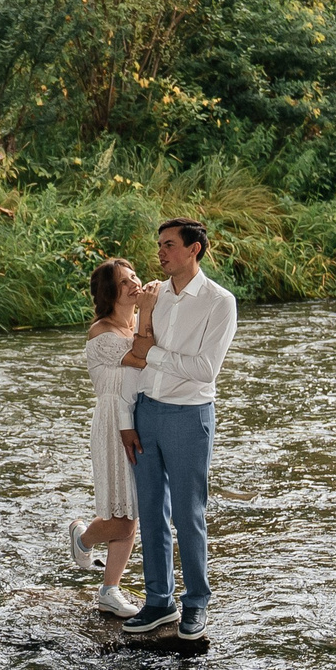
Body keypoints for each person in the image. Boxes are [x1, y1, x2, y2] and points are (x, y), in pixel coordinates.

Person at [117, 218, 238, 643]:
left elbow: (206, 370)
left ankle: (196, 603)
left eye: (169, 245)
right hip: (147, 413)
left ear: (194, 250)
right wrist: (128, 419)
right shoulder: (152, 297)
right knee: (150, 511)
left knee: (189, 514)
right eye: (159, 245)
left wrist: (154, 354)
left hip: (190, 416)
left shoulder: (220, 302)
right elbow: (134, 357)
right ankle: (158, 601)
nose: (161, 252)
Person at [66, 258, 146, 615]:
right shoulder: (103, 332)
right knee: (124, 514)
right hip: (114, 420)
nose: (135, 284)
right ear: (111, 292)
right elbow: (143, 358)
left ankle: (108, 589)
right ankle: (83, 539)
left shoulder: (137, 326)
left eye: (135, 278)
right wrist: (155, 309)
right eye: (126, 281)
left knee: (131, 511)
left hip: (138, 419)